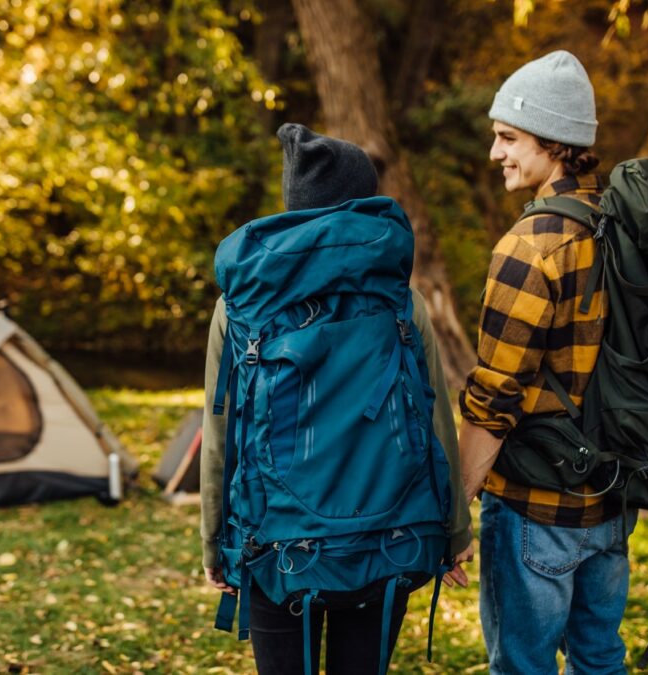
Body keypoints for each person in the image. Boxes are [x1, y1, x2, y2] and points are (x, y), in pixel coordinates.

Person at [200, 123, 474, 674]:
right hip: (388, 537)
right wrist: (453, 530)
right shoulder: (402, 299)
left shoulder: (241, 305)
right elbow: (434, 419)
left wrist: (214, 543)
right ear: (363, 202)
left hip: (273, 544)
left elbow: (219, 434)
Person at [457, 50, 638, 674]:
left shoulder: (532, 245)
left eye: (508, 137)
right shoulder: (625, 227)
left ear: (555, 142)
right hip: (611, 500)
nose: (495, 153)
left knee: (522, 667)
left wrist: (456, 506)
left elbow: (494, 395)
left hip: (535, 505)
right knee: (600, 660)